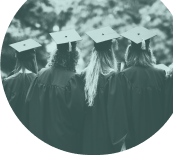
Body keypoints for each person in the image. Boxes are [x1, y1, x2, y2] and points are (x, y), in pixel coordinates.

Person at [69, 27, 128, 155]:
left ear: (94, 51)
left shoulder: (81, 76)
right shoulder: (112, 77)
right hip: (106, 142)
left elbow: (75, 111)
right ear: (110, 51)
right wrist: (117, 144)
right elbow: (116, 115)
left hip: (85, 140)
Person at [25, 29, 83, 153]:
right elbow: (79, 114)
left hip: (39, 134)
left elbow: (29, 102)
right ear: (73, 57)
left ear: (55, 54)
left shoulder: (40, 74)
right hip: (64, 140)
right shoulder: (73, 79)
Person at [119, 26, 167, 149]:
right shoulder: (161, 75)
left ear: (129, 51)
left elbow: (121, 111)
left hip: (134, 137)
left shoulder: (125, 75)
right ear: (149, 50)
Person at [2, 39, 41, 127]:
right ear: (33, 59)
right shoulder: (40, 82)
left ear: (17, 58)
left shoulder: (7, 82)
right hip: (34, 128)